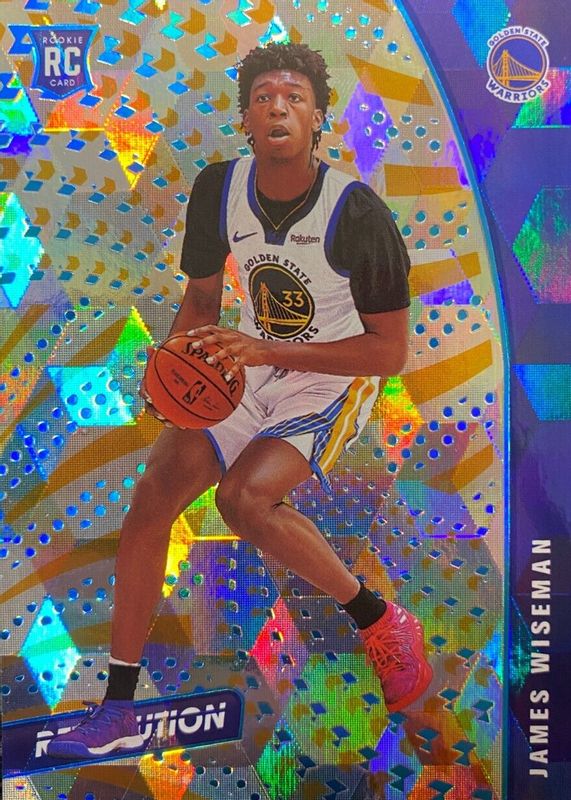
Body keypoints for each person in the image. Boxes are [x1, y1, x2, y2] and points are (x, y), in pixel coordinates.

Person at [47, 42, 432, 759]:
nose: (277, 107)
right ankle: (119, 706)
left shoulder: (356, 213)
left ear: (317, 118)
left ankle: (378, 619)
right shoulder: (219, 189)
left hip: (334, 375)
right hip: (243, 361)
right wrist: (172, 369)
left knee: (243, 500)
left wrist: (266, 351)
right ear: (246, 120)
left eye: (293, 97)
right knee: (152, 498)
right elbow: (201, 300)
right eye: (263, 98)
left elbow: (387, 353)